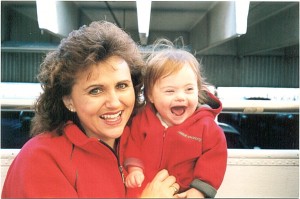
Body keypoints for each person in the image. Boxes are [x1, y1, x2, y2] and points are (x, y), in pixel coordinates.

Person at [1, 21, 180, 198]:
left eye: (122, 85)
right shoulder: (40, 158)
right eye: (96, 90)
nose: (114, 102)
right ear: (68, 100)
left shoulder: (144, 139)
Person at [124, 39, 228, 198]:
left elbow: (214, 159)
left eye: (189, 89)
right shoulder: (142, 120)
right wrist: (135, 169)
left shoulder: (206, 127)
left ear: (198, 91)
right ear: (151, 95)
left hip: (184, 194)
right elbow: (133, 144)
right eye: (170, 91)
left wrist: (199, 190)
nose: (180, 97)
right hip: (147, 192)